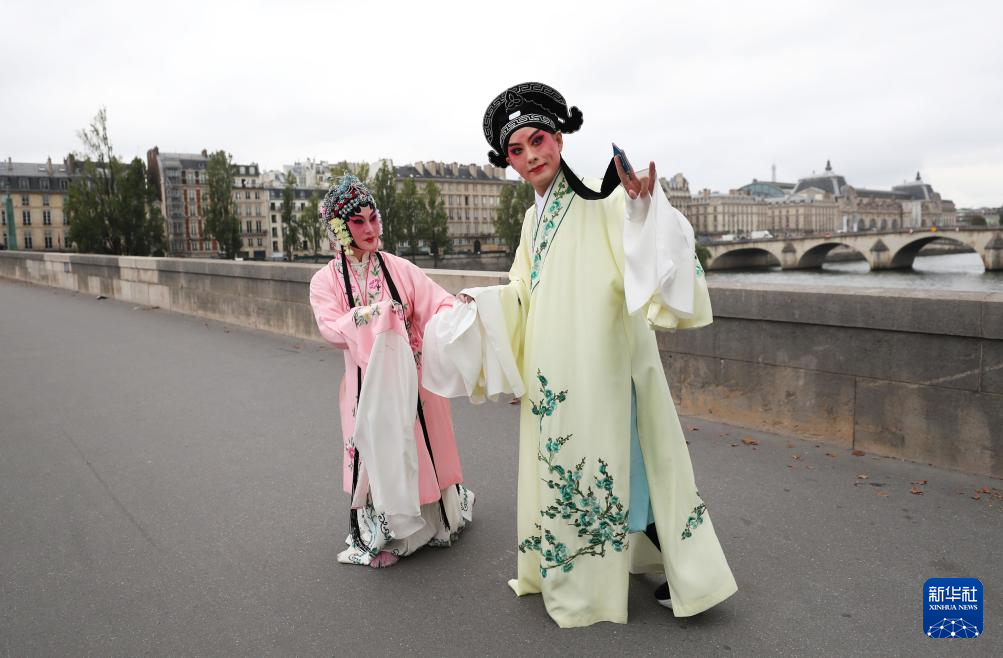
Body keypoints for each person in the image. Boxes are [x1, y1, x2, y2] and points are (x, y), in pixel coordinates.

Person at [424, 82, 736, 627]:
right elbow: (524, 290)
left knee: (636, 458)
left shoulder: (600, 197)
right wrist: (483, 303)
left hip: (603, 361)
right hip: (556, 370)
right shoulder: (532, 220)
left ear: (560, 138)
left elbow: (637, 241)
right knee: (594, 464)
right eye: (516, 150)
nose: (530, 156)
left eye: (537, 140)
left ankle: (682, 572)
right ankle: (606, 567)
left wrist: (640, 206)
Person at [309, 174, 473, 568]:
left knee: (422, 445)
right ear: (339, 229)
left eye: (373, 218)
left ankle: (434, 521)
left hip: (414, 381)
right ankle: (387, 532)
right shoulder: (325, 280)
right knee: (376, 451)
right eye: (358, 222)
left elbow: (436, 302)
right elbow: (331, 327)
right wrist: (377, 315)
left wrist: (459, 307)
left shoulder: (399, 267)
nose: (370, 229)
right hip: (366, 385)